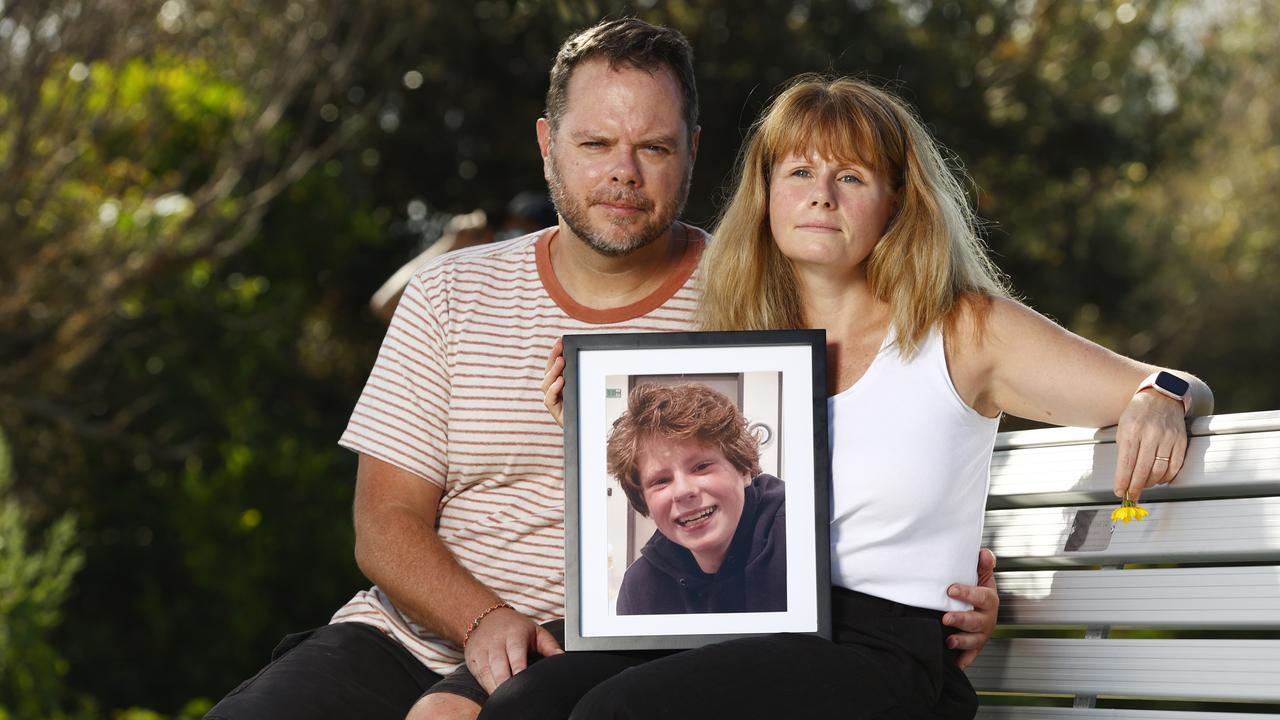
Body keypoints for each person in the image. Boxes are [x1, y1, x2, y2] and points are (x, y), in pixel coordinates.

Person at [204, 19, 998, 720]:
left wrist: (943, 586)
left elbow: (885, 427)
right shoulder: (451, 293)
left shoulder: (759, 291)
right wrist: (482, 622)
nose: (624, 172)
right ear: (548, 143)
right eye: (595, 145)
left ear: (693, 149)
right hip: (407, 635)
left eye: (653, 147)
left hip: (623, 648)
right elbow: (385, 525)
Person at [553, 75, 1214, 719]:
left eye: (851, 177)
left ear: (895, 203)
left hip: (884, 652)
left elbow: (1164, 383)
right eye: (801, 174)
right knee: (531, 701)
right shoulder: (741, 349)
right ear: (765, 196)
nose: (822, 197)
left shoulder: (963, 329)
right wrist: (590, 427)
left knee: (625, 708)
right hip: (751, 629)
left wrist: (1162, 394)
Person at [608, 383, 786, 615]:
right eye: (661, 481)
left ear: (744, 470)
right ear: (646, 504)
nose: (683, 491)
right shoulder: (640, 588)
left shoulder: (802, 533)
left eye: (701, 467)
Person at [368, 192, 556, 323]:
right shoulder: (479, 305)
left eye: (522, 233)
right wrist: (450, 243)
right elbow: (386, 304)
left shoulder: (549, 311)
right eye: (504, 233)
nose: (511, 242)